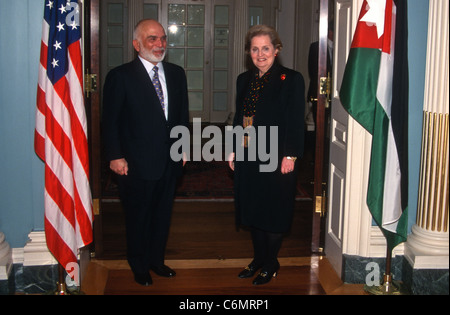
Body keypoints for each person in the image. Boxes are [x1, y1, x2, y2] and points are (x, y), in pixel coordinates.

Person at [102, 19, 189, 286]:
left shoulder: (176, 73)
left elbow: (181, 115)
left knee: (162, 215)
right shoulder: (120, 76)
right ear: (136, 44)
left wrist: (183, 147)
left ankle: (156, 261)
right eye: (152, 39)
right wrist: (115, 156)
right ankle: (139, 265)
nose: (159, 44)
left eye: (162, 38)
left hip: (170, 161)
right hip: (135, 164)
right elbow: (110, 121)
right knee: (138, 216)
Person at [228, 25, 305, 285]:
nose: (260, 54)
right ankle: (259, 259)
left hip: (277, 157)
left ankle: (271, 263)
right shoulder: (244, 80)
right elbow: (240, 118)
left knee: (273, 212)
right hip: (249, 153)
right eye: (255, 49)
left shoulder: (291, 80)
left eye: (266, 48)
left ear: (276, 50)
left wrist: (291, 156)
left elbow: (296, 122)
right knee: (253, 210)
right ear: (249, 52)